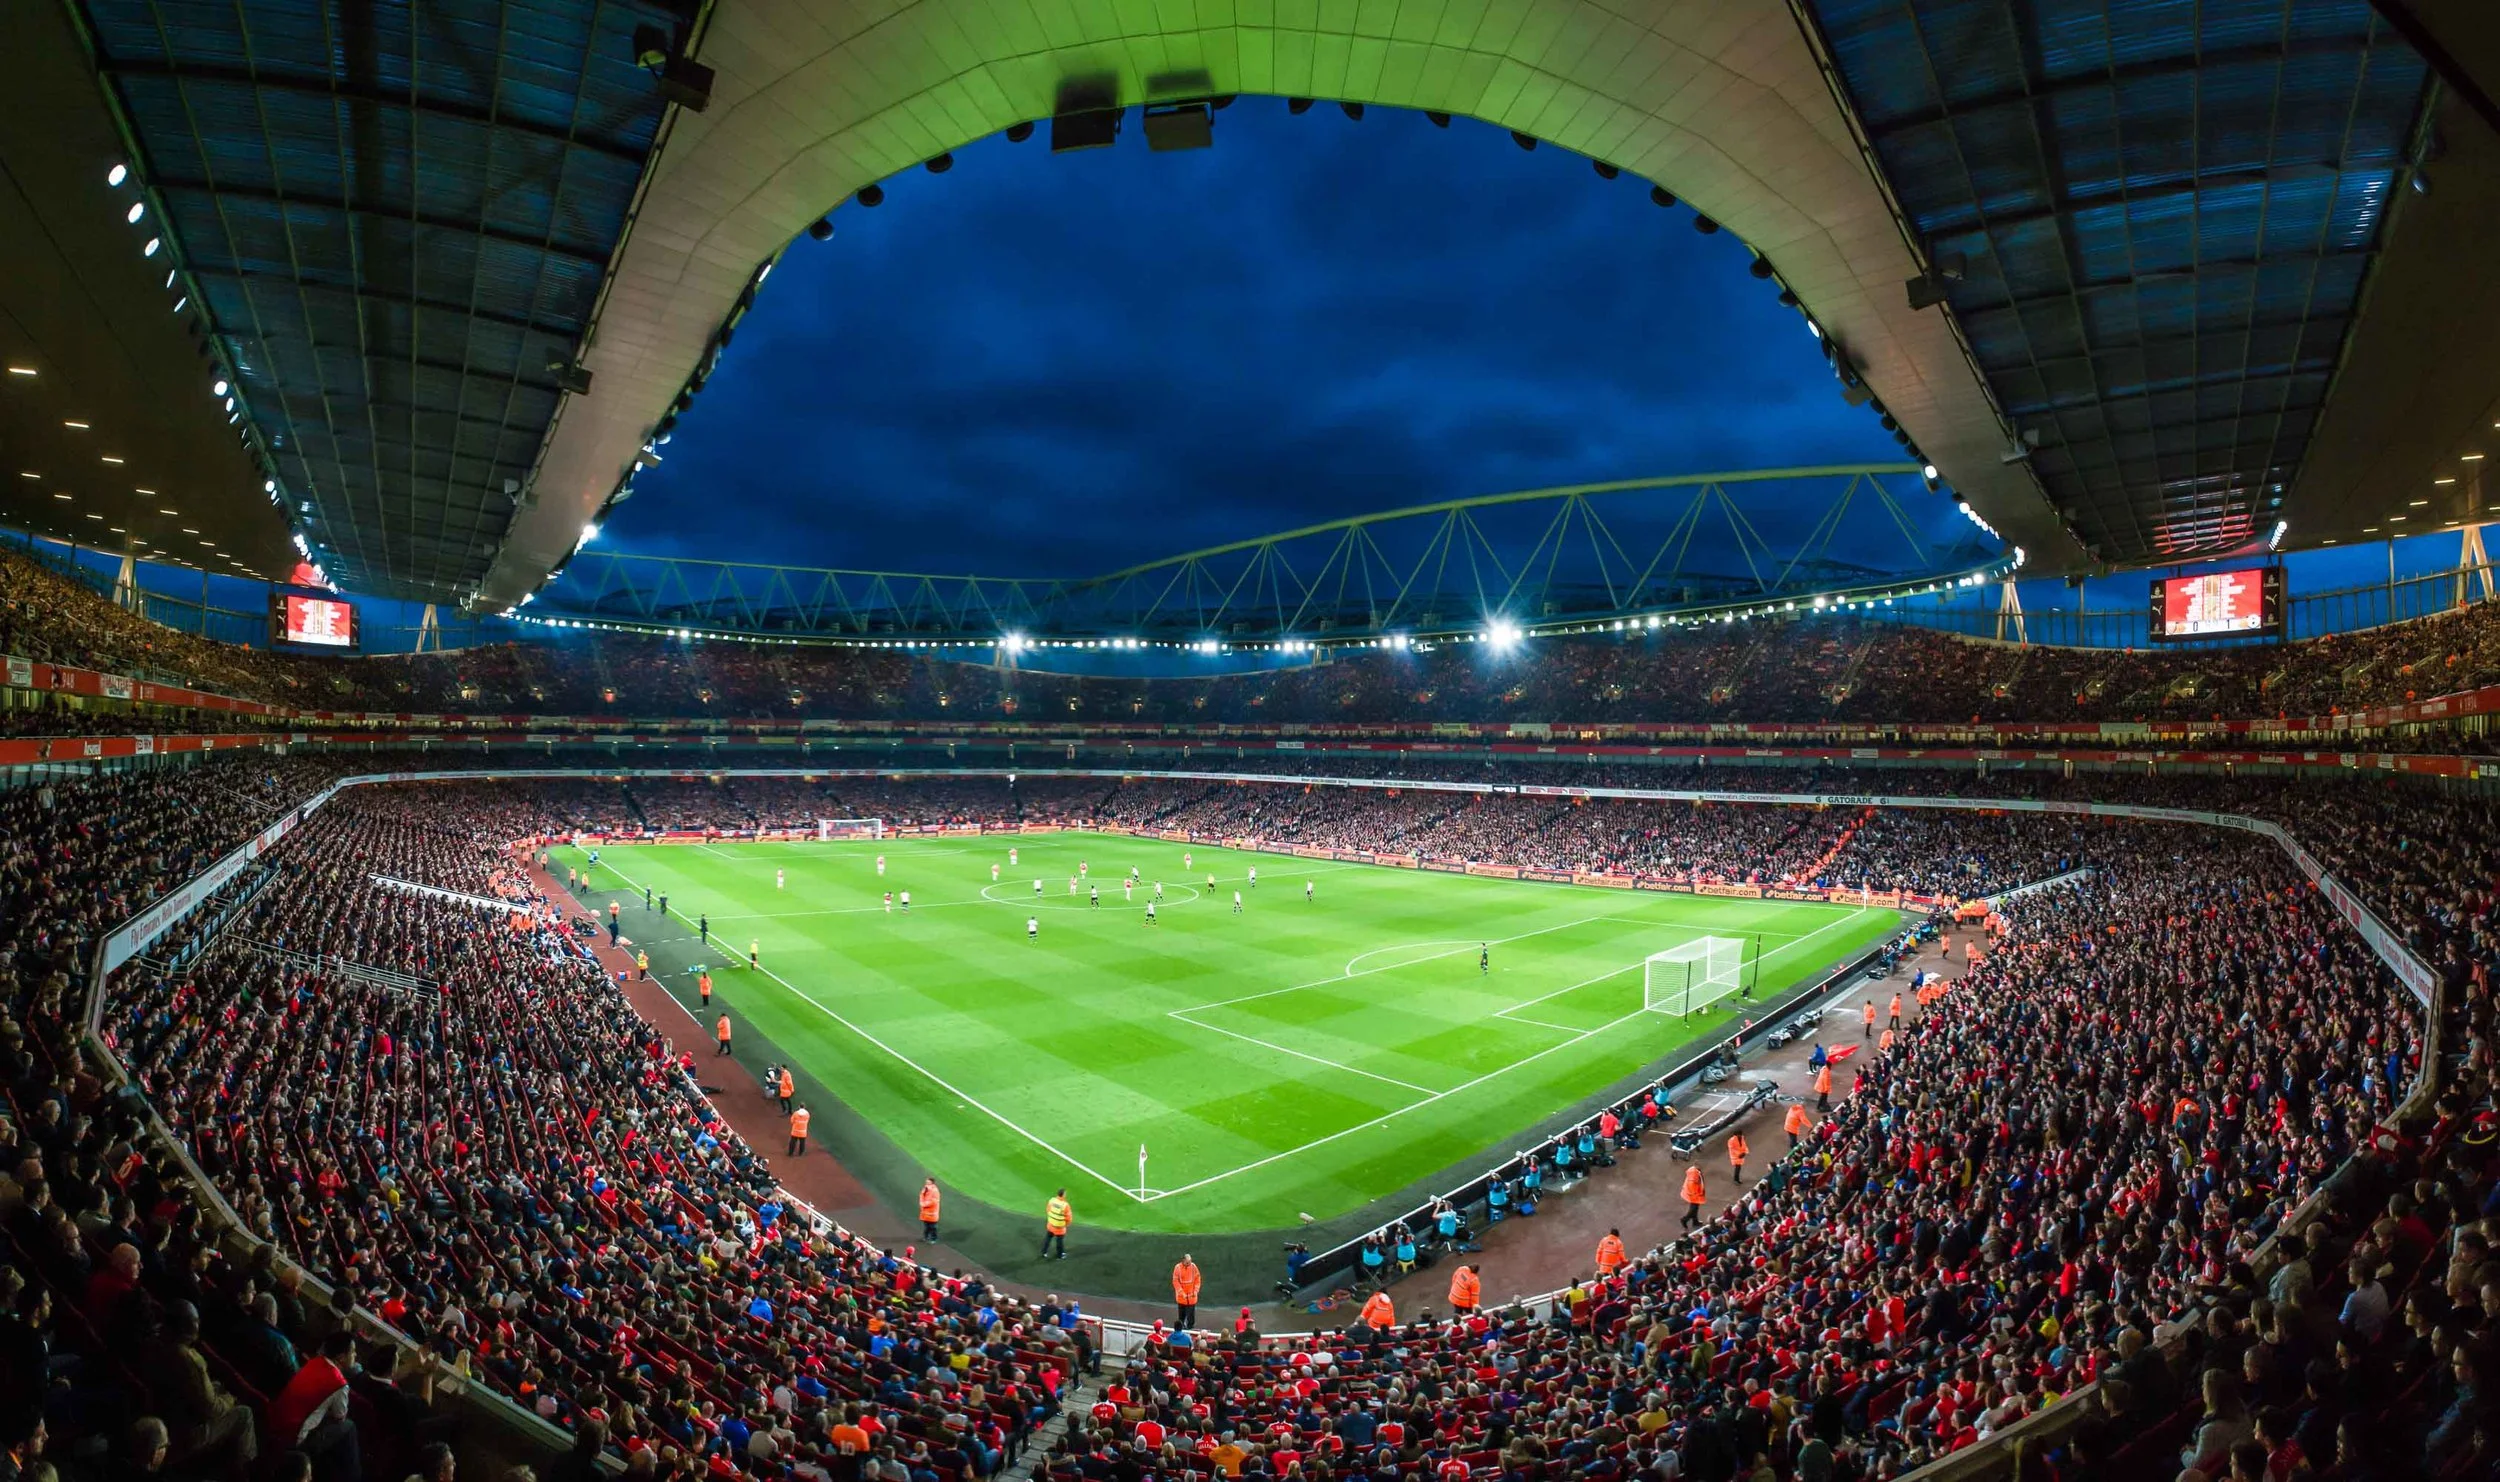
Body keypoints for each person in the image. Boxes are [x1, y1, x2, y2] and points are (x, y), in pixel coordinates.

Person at [1171, 1254, 1201, 1330]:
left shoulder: (1193, 1267)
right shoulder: (1177, 1268)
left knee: (1191, 1318)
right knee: (1181, 1317)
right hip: (1182, 1298)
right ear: (1183, 1261)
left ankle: (1190, 1329)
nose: (1189, 1263)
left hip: (1191, 1298)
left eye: (1190, 1261)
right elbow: (1175, 1281)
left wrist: (1196, 1291)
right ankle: (1181, 1329)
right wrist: (1181, 1293)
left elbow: (1198, 1279)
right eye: (1188, 1262)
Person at [1040, 1190, 1071, 1259]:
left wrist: (1052, 1219)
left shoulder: (1052, 1200)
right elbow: (1068, 1217)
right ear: (1063, 1195)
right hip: (1059, 1227)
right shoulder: (1065, 1205)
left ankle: (1044, 1252)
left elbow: (1048, 1210)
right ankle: (1060, 1255)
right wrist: (1066, 1224)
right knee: (1059, 1241)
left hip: (1051, 1224)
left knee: (1048, 1238)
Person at [1681, 1164, 1707, 1229]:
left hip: (1694, 1195)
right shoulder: (1694, 1176)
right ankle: (1685, 1219)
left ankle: (1695, 1221)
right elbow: (1693, 1187)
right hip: (1694, 1195)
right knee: (1693, 1209)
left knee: (1695, 1209)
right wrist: (1698, 1193)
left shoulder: (1695, 1173)